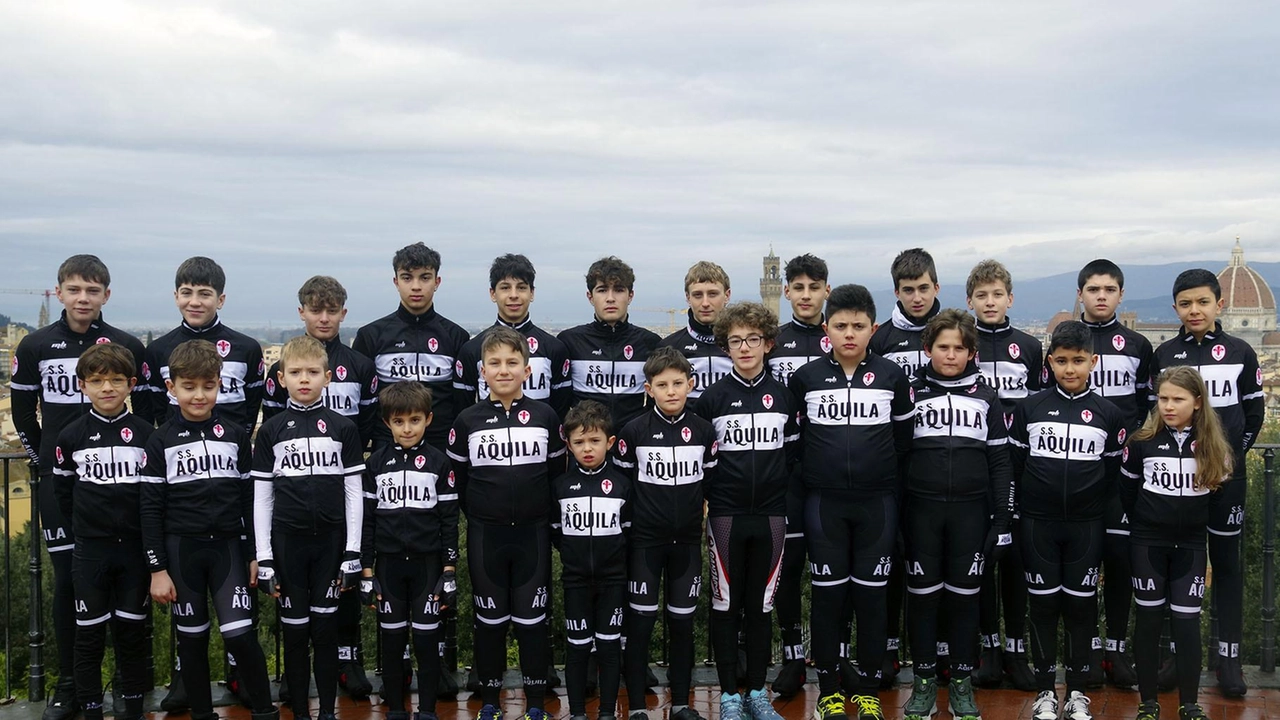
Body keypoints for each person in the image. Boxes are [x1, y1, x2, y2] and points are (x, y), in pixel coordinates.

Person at [10, 254, 145, 720]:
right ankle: (69, 684)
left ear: (106, 294)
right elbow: (23, 412)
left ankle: (129, 686)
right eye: (74, 289)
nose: (83, 298)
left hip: (119, 487)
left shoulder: (127, 345)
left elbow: (145, 414)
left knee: (129, 584)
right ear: (60, 292)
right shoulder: (35, 345)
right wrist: (42, 461)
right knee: (69, 584)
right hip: (61, 484)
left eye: (93, 290)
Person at [790, 284, 914, 720]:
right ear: (826, 329)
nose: (849, 334)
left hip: (875, 505)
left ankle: (865, 689)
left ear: (872, 329)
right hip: (824, 505)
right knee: (826, 599)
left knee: (871, 600)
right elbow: (796, 445)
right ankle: (827, 688)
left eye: (858, 326)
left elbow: (902, 444)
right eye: (840, 325)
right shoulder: (804, 378)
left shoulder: (891, 377)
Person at [139, 339, 276, 720]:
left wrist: (253, 555)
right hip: (181, 551)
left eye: (208, 386)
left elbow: (250, 500)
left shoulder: (234, 435)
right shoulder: (159, 440)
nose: (199, 395)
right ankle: (202, 715)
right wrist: (157, 569)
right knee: (192, 641)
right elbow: (149, 509)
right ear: (171, 388)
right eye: (189, 386)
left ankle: (266, 712)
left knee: (242, 638)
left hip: (228, 551)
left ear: (220, 385)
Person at [261, 275, 379, 699]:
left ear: (343, 313)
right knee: (296, 598)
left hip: (342, 479)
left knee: (343, 584)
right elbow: (274, 425)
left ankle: (350, 663)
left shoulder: (360, 364)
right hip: (294, 496)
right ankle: (296, 681)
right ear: (302, 313)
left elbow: (366, 427)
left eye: (332, 310)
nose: (324, 317)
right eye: (316, 309)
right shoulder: (281, 365)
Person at [1148, 269, 1264, 698]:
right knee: (1178, 568)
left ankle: (1228, 659)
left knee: (1229, 567)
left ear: (1219, 304)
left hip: (1226, 482)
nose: (1193, 310)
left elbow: (1254, 415)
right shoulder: (1164, 355)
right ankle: (1178, 656)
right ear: (1175, 307)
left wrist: (1230, 460)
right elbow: (1156, 417)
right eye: (1184, 303)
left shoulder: (1241, 352)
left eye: (1201, 302)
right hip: (1177, 484)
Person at [446, 327, 567, 720]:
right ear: (482, 371)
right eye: (495, 363)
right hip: (486, 535)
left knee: (533, 623)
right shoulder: (466, 421)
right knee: (490, 624)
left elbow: (554, 476)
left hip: (532, 534)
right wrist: (483, 513)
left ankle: (534, 705)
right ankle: (491, 703)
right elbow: (460, 482)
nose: (503, 370)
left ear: (527, 371)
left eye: (512, 363)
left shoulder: (546, 416)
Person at [1008, 321, 1126, 720]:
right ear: (1050, 363)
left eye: (1078, 361)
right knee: (1041, 608)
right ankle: (1045, 690)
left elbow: (1111, 474)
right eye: (1061, 361)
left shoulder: (1110, 413)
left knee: (1080, 608)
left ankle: (1076, 692)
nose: (1070, 369)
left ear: (1093, 361)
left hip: (1086, 526)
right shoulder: (1030, 408)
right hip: (1038, 524)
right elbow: (1016, 464)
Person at [900, 309, 1013, 720]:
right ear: (927, 349)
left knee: (966, 602)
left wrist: (1001, 522)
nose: (950, 356)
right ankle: (926, 681)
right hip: (921, 512)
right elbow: (897, 457)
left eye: (958, 349)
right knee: (924, 600)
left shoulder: (987, 398)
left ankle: (963, 682)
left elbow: (1001, 462)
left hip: (970, 513)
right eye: (942, 347)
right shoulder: (910, 394)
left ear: (971, 353)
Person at [252, 336, 366, 720]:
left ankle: (327, 714)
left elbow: (354, 492)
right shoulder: (270, 431)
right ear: (281, 378)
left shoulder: (343, 428)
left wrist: (353, 551)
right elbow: (262, 498)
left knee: (326, 633)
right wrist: (264, 558)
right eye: (296, 373)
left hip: (331, 544)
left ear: (328, 377)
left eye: (313, 372)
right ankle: (301, 713)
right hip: (288, 545)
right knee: (296, 634)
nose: (305, 379)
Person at [696, 302, 798, 720]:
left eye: (752, 339)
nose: (744, 347)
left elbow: (792, 455)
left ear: (767, 343)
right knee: (725, 606)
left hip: (771, 515)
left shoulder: (785, 397)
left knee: (760, 608)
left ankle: (757, 690)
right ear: (726, 347)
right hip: (725, 516)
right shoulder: (713, 399)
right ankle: (730, 696)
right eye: (735, 340)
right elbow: (702, 460)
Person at [1122, 367, 1235, 720]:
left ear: (1198, 402)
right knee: (1149, 621)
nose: (1168, 406)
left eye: (1178, 399)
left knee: (1187, 627)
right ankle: (1148, 703)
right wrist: (1147, 521)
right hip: (1148, 544)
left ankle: (1190, 703)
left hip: (1190, 547)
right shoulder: (1142, 442)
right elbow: (1128, 492)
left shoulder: (1215, 446)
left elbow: (1218, 500)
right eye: (1163, 399)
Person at [614, 347, 718, 720]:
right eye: (662, 385)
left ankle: (680, 704)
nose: (671, 391)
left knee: (683, 624)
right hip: (645, 543)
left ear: (691, 385)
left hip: (687, 543)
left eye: (678, 383)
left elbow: (709, 484)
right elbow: (622, 488)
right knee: (640, 625)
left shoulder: (704, 431)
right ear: (649, 388)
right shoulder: (633, 430)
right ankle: (639, 707)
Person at [51, 343, 154, 720]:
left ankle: (133, 709)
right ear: (82, 386)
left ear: (130, 384)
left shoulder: (146, 435)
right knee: (89, 637)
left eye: (114, 380)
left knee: (131, 636)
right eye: (97, 381)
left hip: (134, 552)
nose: (106, 388)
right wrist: (86, 527)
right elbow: (64, 493)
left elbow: (152, 496)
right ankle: (92, 709)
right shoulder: (70, 435)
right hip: (90, 552)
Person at [360, 381, 459, 720]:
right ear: (387, 422)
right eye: (399, 421)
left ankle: (428, 710)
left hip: (427, 566)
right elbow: (367, 522)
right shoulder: (374, 465)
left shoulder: (439, 463)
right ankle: (398, 711)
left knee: (426, 643)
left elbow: (449, 520)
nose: (407, 428)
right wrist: (366, 572)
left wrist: (449, 570)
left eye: (414, 420)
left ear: (428, 420)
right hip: (387, 568)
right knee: (391, 643)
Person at [1075, 259, 1154, 687]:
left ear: (1121, 295)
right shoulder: (1067, 340)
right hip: (1081, 473)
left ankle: (1116, 652)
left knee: (1121, 564)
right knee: (1084, 565)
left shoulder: (1138, 345)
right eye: (1092, 289)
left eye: (1108, 289)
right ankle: (1085, 652)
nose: (1101, 295)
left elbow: (1149, 407)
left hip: (1123, 476)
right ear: (1081, 294)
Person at [966, 259, 1042, 691]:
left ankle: (1017, 653)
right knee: (980, 563)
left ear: (1010, 299)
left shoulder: (1030, 348)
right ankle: (988, 651)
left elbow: (1039, 410)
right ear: (970, 300)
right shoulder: (961, 343)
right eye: (982, 295)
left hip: (1020, 473)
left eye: (997, 295)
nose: (990, 302)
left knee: (1016, 564)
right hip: (976, 474)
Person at [867, 248, 940, 680]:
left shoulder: (951, 330)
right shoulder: (881, 339)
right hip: (892, 470)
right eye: (908, 290)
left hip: (937, 468)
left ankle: (939, 653)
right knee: (890, 563)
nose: (917, 297)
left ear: (936, 287)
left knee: (933, 565)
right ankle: (889, 649)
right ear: (897, 291)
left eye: (924, 289)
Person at [765, 253, 831, 696]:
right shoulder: (774, 341)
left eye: (814, 287)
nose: (806, 296)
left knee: (832, 573)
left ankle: (832, 657)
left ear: (826, 289)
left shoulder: (845, 335)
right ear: (785, 291)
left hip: (833, 477)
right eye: (798, 287)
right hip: (785, 475)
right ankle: (791, 658)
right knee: (787, 572)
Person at [551, 400, 631, 720]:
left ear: (609, 443)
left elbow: (628, 531)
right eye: (579, 442)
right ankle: (578, 714)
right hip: (575, 581)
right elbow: (556, 533)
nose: (587, 448)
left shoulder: (623, 485)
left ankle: (608, 712)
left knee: (610, 648)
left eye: (595, 441)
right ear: (568, 445)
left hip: (613, 580)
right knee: (578, 648)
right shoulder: (559, 487)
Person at [354, 242, 470, 451]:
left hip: (441, 447)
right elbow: (363, 401)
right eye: (407, 277)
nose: (416, 286)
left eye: (425, 277)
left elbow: (463, 402)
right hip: (386, 446)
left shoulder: (456, 336)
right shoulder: (370, 335)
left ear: (437, 281)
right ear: (396, 281)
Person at [139, 256, 265, 436]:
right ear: (176, 297)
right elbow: (158, 408)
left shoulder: (247, 349)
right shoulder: (158, 350)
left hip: (232, 451)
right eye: (186, 293)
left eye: (204, 294)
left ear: (220, 300)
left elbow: (252, 406)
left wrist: (240, 440)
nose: (195, 302)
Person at [455, 254, 572, 417]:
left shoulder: (554, 348)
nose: (514, 295)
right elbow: (463, 411)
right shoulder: (472, 349)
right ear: (492, 294)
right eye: (505, 287)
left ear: (532, 293)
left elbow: (561, 412)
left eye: (522, 287)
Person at [558, 256, 662, 428]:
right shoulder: (570, 341)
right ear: (590, 297)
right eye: (602, 290)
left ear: (630, 296)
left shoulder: (650, 342)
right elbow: (561, 402)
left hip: (632, 444)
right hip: (587, 444)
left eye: (619, 290)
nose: (610, 298)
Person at [657, 261, 734, 410]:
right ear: (688, 297)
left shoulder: (745, 346)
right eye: (698, 295)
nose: (705, 303)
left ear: (727, 295)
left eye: (712, 294)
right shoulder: (669, 347)